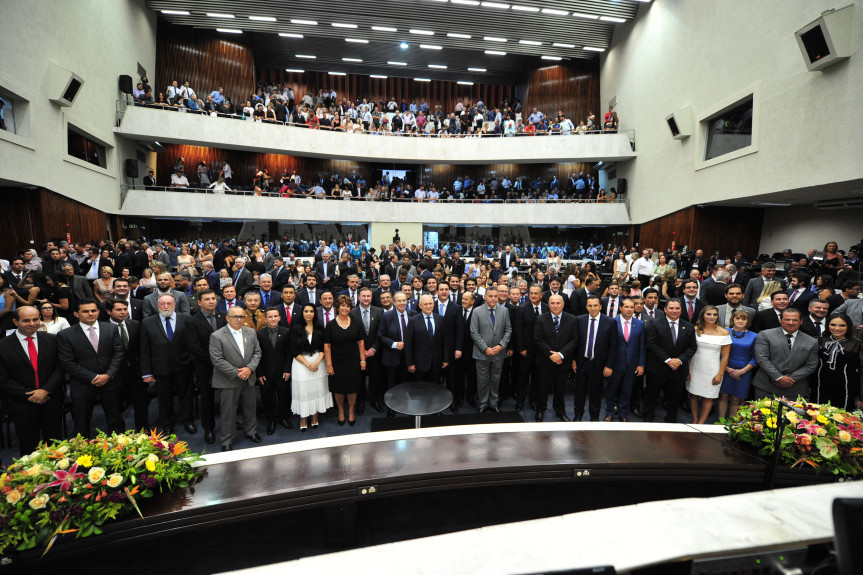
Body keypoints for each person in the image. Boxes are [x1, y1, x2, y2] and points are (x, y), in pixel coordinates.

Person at [0, 306, 64, 455]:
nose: (32, 323)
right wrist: (31, 395)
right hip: (21, 403)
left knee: (56, 445)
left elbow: (60, 368)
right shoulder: (2, 346)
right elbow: (2, 379)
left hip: (51, 399)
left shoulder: (53, 340)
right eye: (26, 320)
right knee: (29, 445)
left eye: (36, 319)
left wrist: (46, 390)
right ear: (16, 322)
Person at [56, 299, 125, 437]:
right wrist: (92, 377)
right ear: (76, 314)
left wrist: (108, 374)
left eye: (93, 310)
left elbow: (118, 353)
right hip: (83, 383)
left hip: (110, 381)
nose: (90, 314)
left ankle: (120, 449)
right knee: (81, 423)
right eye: (85, 311)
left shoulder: (111, 328)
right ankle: (82, 453)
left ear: (99, 312)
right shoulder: (65, 334)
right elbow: (67, 362)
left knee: (115, 419)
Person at [140, 293, 195, 435]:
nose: (166, 306)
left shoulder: (187, 319)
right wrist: (147, 372)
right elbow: (144, 349)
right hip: (161, 369)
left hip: (184, 367)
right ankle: (168, 424)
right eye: (162, 304)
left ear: (174, 304)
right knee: (164, 399)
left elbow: (192, 345)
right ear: (157, 305)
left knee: (186, 396)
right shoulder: (147, 322)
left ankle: (188, 421)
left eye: (169, 303)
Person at [210, 307, 263, 451]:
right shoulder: (217, 335)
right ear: (228, 318)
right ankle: (227, 440)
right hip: (229, 380)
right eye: (235, 317)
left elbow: (257, 352)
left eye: (241, 316)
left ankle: (251, 432)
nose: (239, 319)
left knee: (250, 407)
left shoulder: (251, 332)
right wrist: (237, 372)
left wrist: (249, 368)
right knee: (228, 412)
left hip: (248, 377)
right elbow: (217, 360)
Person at [643, 299, 699, 423]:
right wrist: (668, 360)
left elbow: (692, 347)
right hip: (657, 368)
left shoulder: (689, 326)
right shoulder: (654, 323)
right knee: (651, 396)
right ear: (665, 309)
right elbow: (651, 344)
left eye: (677, 308)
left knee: (674, 398)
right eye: (671, 308)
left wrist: (679, 360)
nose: (674, 311)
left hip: (678, 370)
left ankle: (671, 420)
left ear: (681, 310)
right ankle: (648, 418)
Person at [185, 289, 226, 444]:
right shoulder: (192, 321)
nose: (211, 301)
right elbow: (194, 347)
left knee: (227, 398)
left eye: (213, 298)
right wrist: (216, 362)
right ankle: (208, 428)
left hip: (226, 366)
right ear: (199, 302)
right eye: (207, 299)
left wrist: (224, 363)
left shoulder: (223, 316)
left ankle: (230, 423)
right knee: (207, 400)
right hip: (205, 367)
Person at [752, 308, 819, 400]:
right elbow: (762, 359)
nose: (791, 322)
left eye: (795, 320)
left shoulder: (812, 341)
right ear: (780, 320)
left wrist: (789, 379)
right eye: (787, 319)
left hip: (795, 388)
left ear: (801, 321)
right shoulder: (765, 335)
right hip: (766, 387)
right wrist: (778, 377)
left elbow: (811, 365)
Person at [532, 294, 578, 422]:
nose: (555, 306)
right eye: (552, 303)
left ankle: (560, 410)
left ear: (563, 304)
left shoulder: (572, 319)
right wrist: (552, 355)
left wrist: (561, 354)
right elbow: (538, 339)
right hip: (544, 361)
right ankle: (540, 409)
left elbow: (574, 340)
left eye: (558, 303)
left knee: (560, 388)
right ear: (549, 304)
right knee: (542, 388)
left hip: (563, 361)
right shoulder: (541, 319)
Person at [573, 295, 618, 421]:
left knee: (596, 393)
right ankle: (578, 416)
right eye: (590, 306)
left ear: (600, 306)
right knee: (579, 392)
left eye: (595, 306)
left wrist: (609, 365)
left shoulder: (610, 322)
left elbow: (613, 346)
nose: (593, 308)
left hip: (599, 364)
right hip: (582, 363)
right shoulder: (579, 320)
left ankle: (594, 418)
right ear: (586, 307)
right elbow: (575, 342)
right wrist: (574, 359)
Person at [685, 305, 732, 424]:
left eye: (715, 314)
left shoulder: (724, 333)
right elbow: (689, 351)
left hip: (712, 369)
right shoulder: (695, 329)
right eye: (709, 314)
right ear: (703, 315)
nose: (712, 317)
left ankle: (701, 422)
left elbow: (725, 356)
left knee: (708, 396)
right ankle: (694, 419)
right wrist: (687, 370)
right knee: (693, 394)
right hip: (695, 366)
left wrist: (720, 374)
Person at [470, 286, 512, 414]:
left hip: (499, 353)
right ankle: (483, 404)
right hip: (482, 353)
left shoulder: (504, 311)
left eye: (495, 296)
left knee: (495, 379)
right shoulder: (477, 311)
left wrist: (501, 346)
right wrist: (485, 348)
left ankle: (493, 404)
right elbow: (474, 332)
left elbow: (508, 330)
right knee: (482, 381)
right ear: (485, 297)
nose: (493, 299)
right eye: (490, 296)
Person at [324, 295, 365, 425]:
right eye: (343, 305)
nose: (345, 308)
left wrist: (363, 360)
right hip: (337, 361)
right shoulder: (330, 325)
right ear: (337, 307)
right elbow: (327, 346)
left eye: (347, 306)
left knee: (352, 387)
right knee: (339, 388)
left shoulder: (356, 323)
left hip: (353, 360)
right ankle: (341, 410)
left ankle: (351, 410)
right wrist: (329, 365)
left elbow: (361, 342)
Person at [290, 304, 331, 430]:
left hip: (318, 363)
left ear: (315, 313)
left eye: (311, 311)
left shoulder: (320, 328)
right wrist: (308, 364)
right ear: (302, 313)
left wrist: (316, 362)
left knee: (316, 390)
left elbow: (324, 347)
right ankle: (303, 418)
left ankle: (314, 416)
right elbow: (294, 350)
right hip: (301, 363)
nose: (308, 313)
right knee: (303, 391)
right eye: (306, 311)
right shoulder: (296, 329)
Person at [813, 313, 863, 411]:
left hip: (847, 388)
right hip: (820, 386)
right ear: (827, 326)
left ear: (848, 327)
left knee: (842, 419)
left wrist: (861, 395)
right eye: (833, 325)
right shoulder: (819, 341)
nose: (837, 328)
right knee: (816, 417)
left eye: (842, 325)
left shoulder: (857, 345)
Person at [607, 298, 645, 422]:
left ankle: (623, 414)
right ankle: (610, 412)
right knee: (612, 389)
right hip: (615, 363)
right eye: (626, 307)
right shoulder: (612, 322)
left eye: (631, 307)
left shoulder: (640, 324)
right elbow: (608, 346)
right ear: (620, 308)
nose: (629, 309)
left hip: (632, 364)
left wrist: (641, 364)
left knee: (627, 391)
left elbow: (642, 346)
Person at [257, 307, 293, 434]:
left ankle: (283, 417)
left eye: (275, 316)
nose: (273, 319)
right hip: (266, 373)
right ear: (265, 319)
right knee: (267, 397)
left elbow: (289, 353)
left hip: (282, 371)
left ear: (279, 318)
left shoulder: (287, 332)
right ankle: (271, 420)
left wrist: (288, 369)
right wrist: (259, 373)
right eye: (270, 317)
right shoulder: (259, 334)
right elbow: (257, 355)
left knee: (284, 395)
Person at [718, 309, 758, 419]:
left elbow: (755, 358)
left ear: (748, 321)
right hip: (724, 368)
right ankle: (721, 423)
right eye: (737, 318)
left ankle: (732, 425)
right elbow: (718, 353)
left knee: (736, 399)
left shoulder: (754, 336)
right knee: (723, 396)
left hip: (744, 371)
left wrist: (741, 371)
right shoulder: (725, 332)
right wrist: (726, 369)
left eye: (743, 319)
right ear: (732, 319)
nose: (740, 321)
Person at [405, 294, 451, 384]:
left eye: (430, 303)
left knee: (435, 389)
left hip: (436, 363)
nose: (429, 306)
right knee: (421, 389)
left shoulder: (440, 319)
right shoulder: (413, 321)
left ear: (434, 304)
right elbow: (409, 344)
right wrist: (410, 363)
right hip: (419, 364)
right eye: (425, 304)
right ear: (420, 305)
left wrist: (446, 359)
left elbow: (445, 341)